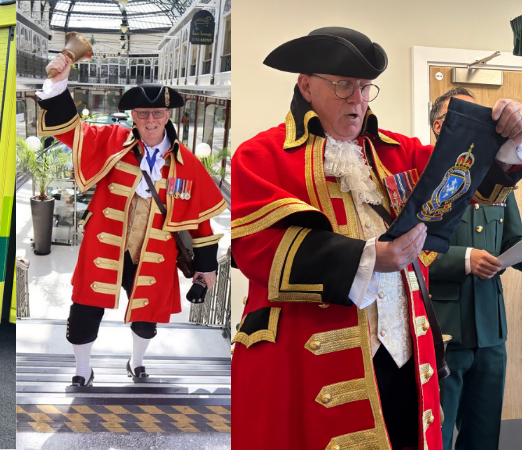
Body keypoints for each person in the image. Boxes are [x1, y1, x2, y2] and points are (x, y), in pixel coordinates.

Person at [230, 27, 522, 450]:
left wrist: (508, 138)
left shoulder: (397, 151)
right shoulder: (262, 155)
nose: (358, 100)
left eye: (366, 87)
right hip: (310, 359)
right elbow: (258, 250)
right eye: (344, 86)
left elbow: (468, 182)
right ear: (306, 86)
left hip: (406, 354)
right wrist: (370, 258)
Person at [37, 53, 226, 386]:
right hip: (104, 247)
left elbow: (200, 222)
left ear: (167, 114)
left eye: (157, 112)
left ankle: (136, 361)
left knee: (146, 317)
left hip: (154, 254)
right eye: (142, 113)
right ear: (133, 116)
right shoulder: (112, 140)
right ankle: (82, 369)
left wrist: (206, 266)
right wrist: (59, 83)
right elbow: (72, 131)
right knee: (85, 309)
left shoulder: (187, 164)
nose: (150, 120)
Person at [429, 87, 522, 450]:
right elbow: (404, 252)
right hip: (444, 327)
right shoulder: (422, 178)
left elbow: (514, 239)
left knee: (484, 435)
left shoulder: (497, 181)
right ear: (441, 126)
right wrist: (463, 259)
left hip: (490, 330)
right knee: (437, 433)